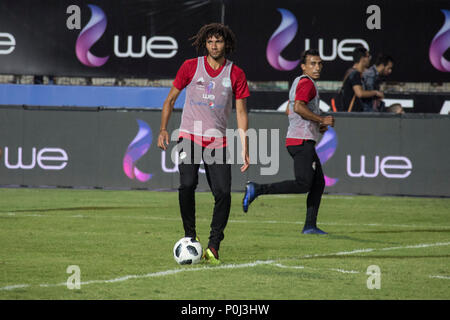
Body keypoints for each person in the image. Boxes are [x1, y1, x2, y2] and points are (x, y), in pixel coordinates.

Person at [157, 23, 250, 265]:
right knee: (187, 184)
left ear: (225, 44)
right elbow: (170, 100)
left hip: (217, 141)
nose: (214, 45)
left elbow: (241, 112)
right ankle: (190, 235)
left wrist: (245, 147)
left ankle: (214, 245)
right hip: (188, 135)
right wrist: (163, 129)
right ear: (204, 44)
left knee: (223, 193)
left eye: (218, 41)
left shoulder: (236, 73)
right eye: (210, 41)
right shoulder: (190, 67)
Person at [242, 49, 334, 235]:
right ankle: (257, 189)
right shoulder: (307, 83)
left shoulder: (299, 82)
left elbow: (289, 110)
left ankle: (310, 226)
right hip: (301, 141)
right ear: (303, 66)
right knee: (304, 184)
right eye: (312, 64)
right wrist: (321, 120)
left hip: (299, 139)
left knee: (318, 184)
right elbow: (298, 108)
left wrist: (316, 124)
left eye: (319, 63)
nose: (317, 67)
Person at [339, 46, 384, 112]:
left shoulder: (353, 73)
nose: (370, 59)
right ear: (363, 59)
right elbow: (360, 93)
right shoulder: (355, 74)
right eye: (368, 57)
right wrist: (375, 93)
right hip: (352, 114)